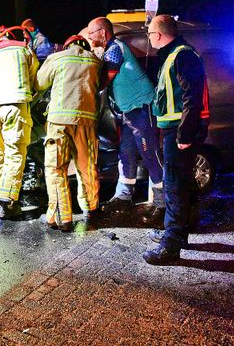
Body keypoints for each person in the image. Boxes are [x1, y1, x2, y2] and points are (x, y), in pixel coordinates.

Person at [142, 14, 210, 265]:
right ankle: (178, 233)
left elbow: (192, 97)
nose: (149, 38)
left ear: (158, 34)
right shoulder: (175, 55)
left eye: (150, 33)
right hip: (175, 128)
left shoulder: (183, 55)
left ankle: (171, 244)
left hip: (179, 130)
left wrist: (185, 134)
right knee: (180, 182)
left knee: (174, 184)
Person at [86, 17, 163, 212]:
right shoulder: (110, 49)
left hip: (141, 108)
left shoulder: (114, 49)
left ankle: (162, 202)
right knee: (126, 152)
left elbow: (104, 80)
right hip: (128, 111)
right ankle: (124, 195)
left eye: (91, 33)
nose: (89, 37)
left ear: (103, 33)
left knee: (149, 153)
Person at [34, 35, 102, 231]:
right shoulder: (96, 61)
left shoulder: (57, 57)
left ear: (67, 45)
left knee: (56, 168)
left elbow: (39, 83)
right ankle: (91, 210)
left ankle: (62, 218)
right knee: (87, 167)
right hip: (87, 122)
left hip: (59, 122)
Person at [0, 27, 39, 219]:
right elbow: (34, 77)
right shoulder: (23, 48)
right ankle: (8, 203)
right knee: (14, 153)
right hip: (15, 106)